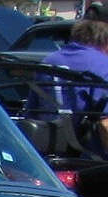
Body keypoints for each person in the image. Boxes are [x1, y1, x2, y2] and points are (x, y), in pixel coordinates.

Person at [44, 19, 108, 153]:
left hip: (47, 151)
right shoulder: (103, 64)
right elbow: (105, 123)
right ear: (104, 41)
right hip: (87, 158)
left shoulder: (48, 61)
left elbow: (32, 112)